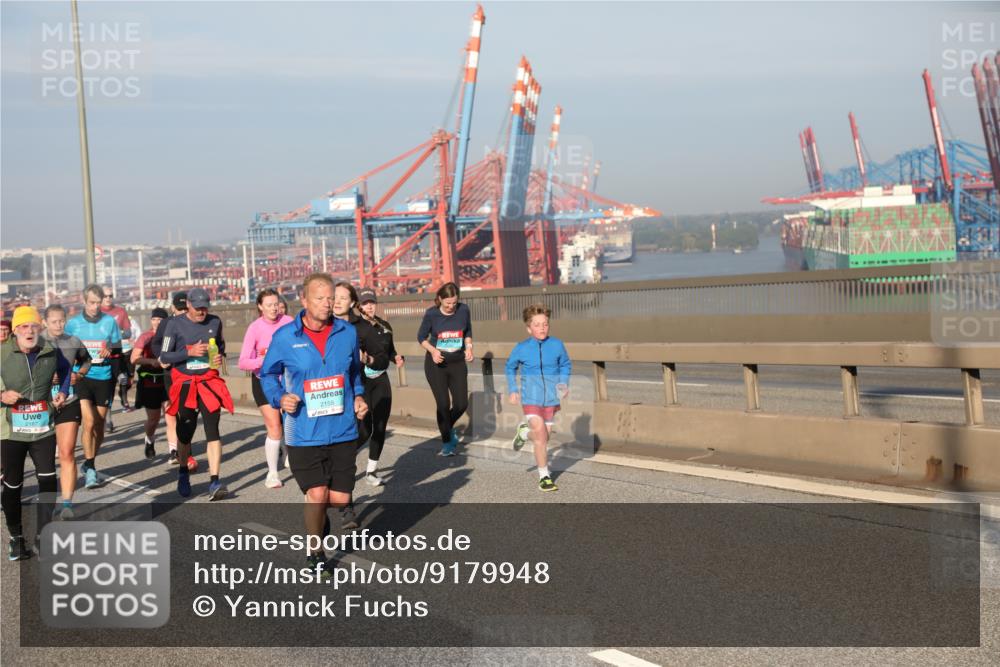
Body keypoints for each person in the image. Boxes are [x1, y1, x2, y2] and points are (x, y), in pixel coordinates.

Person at [260, 273, 369, 574]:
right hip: (303, 430)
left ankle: (320, 518)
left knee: (339, 498)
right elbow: (267, 374)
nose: (327, 304)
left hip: (342, 428)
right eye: (320, 298)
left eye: (331, 298)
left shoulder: (347, 332)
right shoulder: (285, 337)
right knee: (317, 493)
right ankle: (315, 551)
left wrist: (359, 397)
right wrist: (280, 397)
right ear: (304, 301)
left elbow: (355, 373)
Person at [1, 306, 70, 560]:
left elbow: (65, 369)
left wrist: (63, 391)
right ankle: (16, 538)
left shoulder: (50, 349)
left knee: (49, 479)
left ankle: (43, 536)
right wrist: (2, 395)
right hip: (12, 431)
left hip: (42, 426)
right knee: (13, 484)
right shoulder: (3, 353)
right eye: (23, 327)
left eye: (33, 326)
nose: (29, 331)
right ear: (16, 330)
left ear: (39, 328)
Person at [160, 288, 233, 500]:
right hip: (185, 383)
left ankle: (214, 481)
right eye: (198, 307)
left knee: (213, 430)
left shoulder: (215, 322)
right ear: (189, 305)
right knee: (186, 431)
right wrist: (188, 352)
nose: (202, 311)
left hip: (208, 381)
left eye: (205, 307)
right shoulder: (173, 324)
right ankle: (183, 473)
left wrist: (219, 357)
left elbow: (219, 347)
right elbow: (165, 355)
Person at [505, 303, 571, 492]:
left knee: (544, 436)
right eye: (537, 324)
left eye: (545, 324)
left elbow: (566, 364)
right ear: (528, 328)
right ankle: (545, 477)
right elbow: (510, 367)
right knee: (541, 436)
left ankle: (524, 433)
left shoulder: (556, 344)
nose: (542, 328)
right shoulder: (522, 348)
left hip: (551, 398)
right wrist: (513, 389)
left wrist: (563, 383)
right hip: (530, 398)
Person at [65, 284, 122, 489]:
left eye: (98, 303)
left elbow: (118, 347)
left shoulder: (109, 322)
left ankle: (89, 463)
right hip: (82, 377)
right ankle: (90, 470)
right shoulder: (73, 325)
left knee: (99, 424)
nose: (96, 307)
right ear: (84, 301)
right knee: (88, 421)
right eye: (92, 303)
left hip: (103, 376)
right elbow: (65, 350)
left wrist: (110, 349)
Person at [238, 289, 293, 488]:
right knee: (274, 426)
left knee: (290, 422)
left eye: (276, 304)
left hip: (287, 380)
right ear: (260, 307)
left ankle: (288, 451)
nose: (273, 308)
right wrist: (264, 360)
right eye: (269, 305)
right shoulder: (254, 328)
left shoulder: (289, 322)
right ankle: (272, 473)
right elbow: (243, 362)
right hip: (263, 380)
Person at [42, 305, 92, 519]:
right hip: (43, 404)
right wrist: (45, 376)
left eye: (61, 320)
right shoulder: (37, 342)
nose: (58, 325)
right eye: (54, 321)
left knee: (66, 452)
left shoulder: (73, 341)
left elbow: (87, 360)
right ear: (45, 322)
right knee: (44, 460)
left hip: (69, 401)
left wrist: (79, 375)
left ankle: (67, 504)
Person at [417, 282, 473, 456]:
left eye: (454, 303)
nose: (451, 307)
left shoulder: (463, 310)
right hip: (436, 364)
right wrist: (433, 351)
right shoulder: (432, 314)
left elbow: (468, 331)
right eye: (447, 303)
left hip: (457, 362)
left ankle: (446, 427)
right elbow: (421, 337)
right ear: (440, 299)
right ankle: (448, 443)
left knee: (461, 404)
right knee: (443, 404)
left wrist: (469, 347)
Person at [356, 287, 403, 486]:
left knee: (381, 426)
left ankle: (371, 471)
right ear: (359, 306)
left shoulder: (385, 325)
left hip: (381, 379)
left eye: (372, 302)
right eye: (365, 303)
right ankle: (344, 459)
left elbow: (390, 350)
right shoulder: (355, 327)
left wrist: (396, 358)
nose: (370, 306)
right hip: (363, 381)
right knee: (365, 430)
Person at [150, 292, 197, 471]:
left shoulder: (195, 322)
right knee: (181, 414)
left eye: (186, 309)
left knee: (190, 413)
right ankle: (186, 453)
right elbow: (156, 344)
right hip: (172, 373)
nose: (182, 312)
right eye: (180, 309)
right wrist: (161, 357)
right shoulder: (167, 323)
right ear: (173, 308)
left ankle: (184, 451)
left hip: (193, 372)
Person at [132, 308, 170, 460]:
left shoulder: (171, 336)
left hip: (167, 379)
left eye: (161, 320)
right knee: (154, 418)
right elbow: (134, 359)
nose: (157, 322)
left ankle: (174, 451)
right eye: (155, 319)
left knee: (170, 415)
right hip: (150, 380)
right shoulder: (145, 336)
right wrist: (151, 361)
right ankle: (149, 439)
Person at [101, 291, 133, 426]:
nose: (108, 298)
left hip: (116, 355)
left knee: (122, 380)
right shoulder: (95, 313)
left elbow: (128, 332)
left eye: (110, 296)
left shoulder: (120, 311)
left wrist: (117, 334)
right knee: (106, 388)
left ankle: (123, 397)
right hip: (99, 356)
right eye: (105, 296)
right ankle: (107, 418)